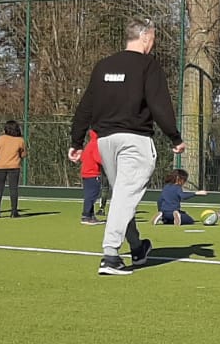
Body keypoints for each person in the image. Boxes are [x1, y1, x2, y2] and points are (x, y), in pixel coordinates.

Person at [68, 18, 186, 275]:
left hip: (105, 142)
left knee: (124, 194)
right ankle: (110, 255)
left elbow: (86, 105)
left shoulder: (103, 66)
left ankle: (137, 247)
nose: (153, 43)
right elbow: (160, 105)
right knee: (124, 195)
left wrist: (76, 140)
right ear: (145, 38)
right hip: (135, 140)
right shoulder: (148, 65)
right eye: (153, 38)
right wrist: (175, 137)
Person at [0, 120, 28, 217]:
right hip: (14, 167)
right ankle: (13, 211)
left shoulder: (0, 139)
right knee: (13, 189)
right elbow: (24, 154)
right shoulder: (20, 140)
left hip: (1, 166)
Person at [78, 129, 104, 224]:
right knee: (92, 195)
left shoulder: (89, 144)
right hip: (92, 174)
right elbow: (99, 159)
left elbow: (83, 157)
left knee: (89, 194)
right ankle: (86, 216)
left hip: (86, 173)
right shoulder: (96, 144)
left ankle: (91, 216)